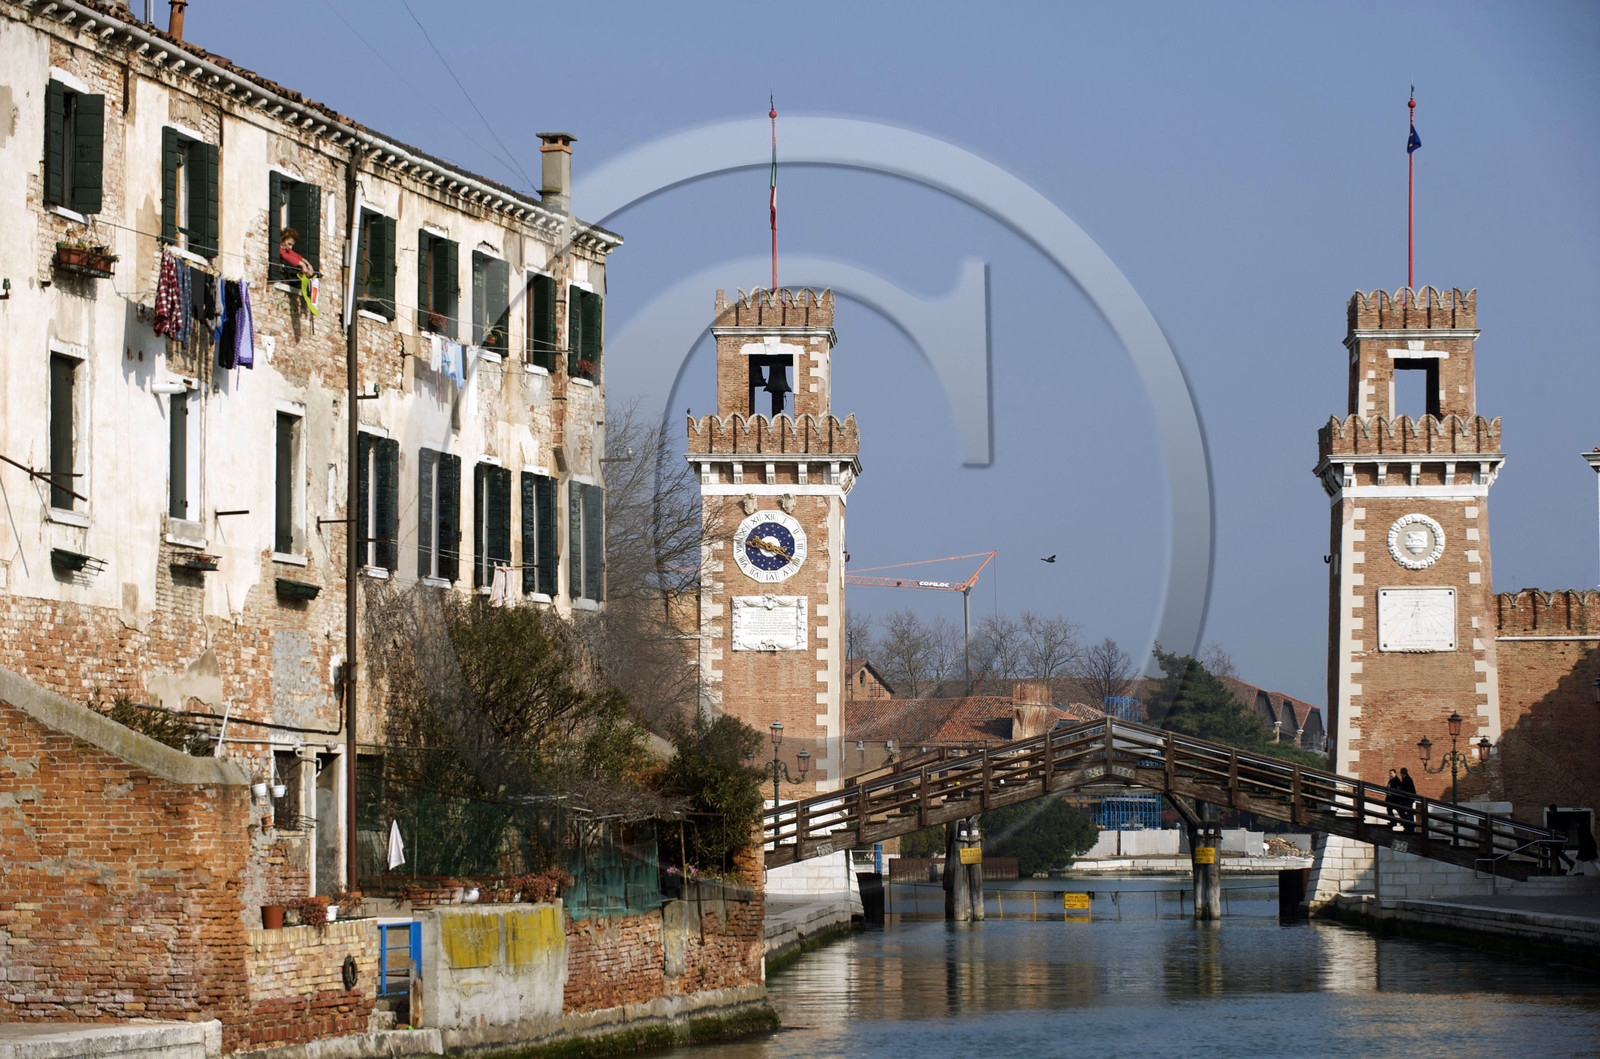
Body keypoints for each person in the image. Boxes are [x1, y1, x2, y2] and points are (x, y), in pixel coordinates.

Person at [1398, 767, 1418, 832]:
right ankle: (1409, 824)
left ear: (1402, 773)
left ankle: (1408, 824)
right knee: (1409, 812)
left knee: (1403, 809)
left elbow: (1406, 790)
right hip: (1409, 798)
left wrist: (1400, 788)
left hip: (1407, 798)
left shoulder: (1407, 780)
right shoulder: (1407, 779)